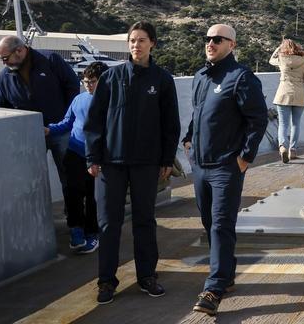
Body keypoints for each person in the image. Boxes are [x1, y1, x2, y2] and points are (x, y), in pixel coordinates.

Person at [84, 21, 180, 304]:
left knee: (144, 221)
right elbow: (95, 120)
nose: (136, 45)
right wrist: (92, 156)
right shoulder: (111, 77)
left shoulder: (162, 80)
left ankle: (147, 276)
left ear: (152, 44)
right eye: (132, 40)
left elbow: (170, 123)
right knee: (108, 224)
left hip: (147, 163)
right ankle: (106, 281)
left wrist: (167, 158)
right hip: (110, 162)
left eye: (142, 40)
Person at [183, 24, 268, 316]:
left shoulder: (241, 77)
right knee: (209, 222)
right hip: (200, 165)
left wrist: (244, 158)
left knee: (221, 224)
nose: (210, 43)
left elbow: (258, 119)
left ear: (231, 44)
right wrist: (188, 138)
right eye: (207, 39)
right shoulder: (200, 76)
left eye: (217, 39)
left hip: (225, 167)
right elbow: (199, 113)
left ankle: (214, 288)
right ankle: (227, 273)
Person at [0, 34, 80, 235]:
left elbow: (72, 86)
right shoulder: (4, 76)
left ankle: (75, 220)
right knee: (29, 180)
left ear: (20, 50)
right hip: (29, 137)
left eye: (5, 58)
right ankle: (36, 221)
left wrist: (66, 121)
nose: (3, 63)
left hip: (60, 131)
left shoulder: (50, 60)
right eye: (1, 60)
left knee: (69, 177)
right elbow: (1, 105)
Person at [45, 61, 106, 255]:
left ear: (103, 81)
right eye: (85, 81)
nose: (88, 85)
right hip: (74, 152)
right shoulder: (78, 99)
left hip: (97, 158)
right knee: (72, 193)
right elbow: (67, 122)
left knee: (93, 197)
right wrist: (50, 129)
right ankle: (76, 230)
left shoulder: (113, 101)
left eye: (92, 81)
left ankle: (92, 234)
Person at [268, 38, 304, 163]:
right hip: (299, 94)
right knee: (296, 124)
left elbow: (271, 60)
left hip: (284, 94)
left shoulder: (281, 58)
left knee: (283, 124)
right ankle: (292, 150)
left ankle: (283, 146)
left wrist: (278, 47)